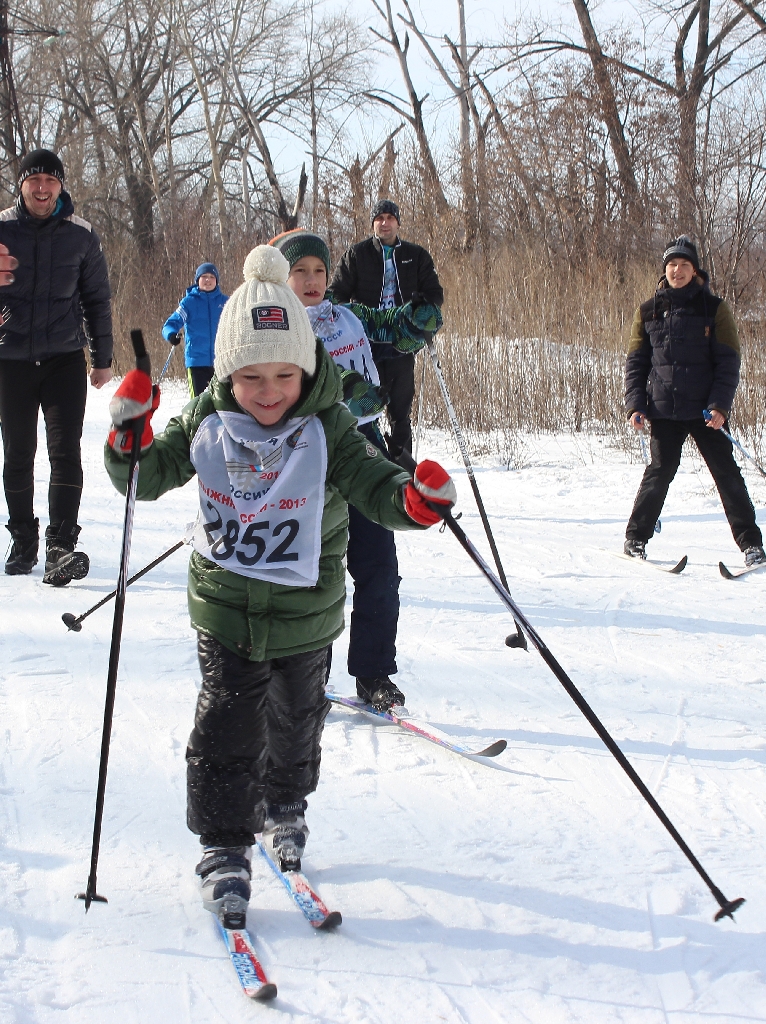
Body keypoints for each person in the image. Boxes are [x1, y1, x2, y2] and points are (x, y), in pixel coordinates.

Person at [104, 244, 456, 928]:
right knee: (227, 729)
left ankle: (286, 807)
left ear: (309, 368)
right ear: (227, 373)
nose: (268, 392)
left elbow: (374, 483)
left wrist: (412, 501)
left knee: (297, 722)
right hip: (227, 608)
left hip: (306, 609)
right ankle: (223, 846)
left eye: (284, 376)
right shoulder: (207, 420)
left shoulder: (329, 425)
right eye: (251, 378)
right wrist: (130, 439)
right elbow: (148, 472)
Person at [271, 228, 442, 712]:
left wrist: (412, 323)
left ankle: (373, 672)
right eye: (300, 271)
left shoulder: (345, 316)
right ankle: (309, 673)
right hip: (307, 453)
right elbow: (302, 377)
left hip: (363, 445)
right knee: (316, 571)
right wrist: (344, 388)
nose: (311, 280)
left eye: (319, 271)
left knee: (379, 565)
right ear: (281, 278)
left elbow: (385, 326)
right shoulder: (276, 327)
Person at [0, 148, 113, 584]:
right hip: (11, 361)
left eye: (51, 180)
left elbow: (97, 299)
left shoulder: (81, 235)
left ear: (61, 186)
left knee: (65, 452)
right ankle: (23, 538)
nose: (42, 188)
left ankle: (60, 546)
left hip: (64, 359)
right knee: (18, 453)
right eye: (34, 180)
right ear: (22, 185)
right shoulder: (2, 229)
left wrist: (102, 358)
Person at [624, 235, 765, 567]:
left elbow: (728, 362)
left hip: (706, 412)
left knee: (727, 473)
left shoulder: (715, 309)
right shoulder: (648, 311)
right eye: (672, 265)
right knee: (659, 472)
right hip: (664, 409)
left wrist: (720, 406)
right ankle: (635, 539)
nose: (677, 270)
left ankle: (751, 544)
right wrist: (636, 405)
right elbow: (636, 363)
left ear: (695, 270)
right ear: (665, 270)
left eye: (684, 264)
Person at [329, 199, 444, 456]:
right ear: (373, 224)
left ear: (397, 223)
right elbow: (336, 294)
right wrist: (350, 320)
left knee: (400, 412)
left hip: (400, 342)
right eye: (379, 218)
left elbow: (434, 294)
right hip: (365, 345)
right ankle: (371, 464)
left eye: (390, 218)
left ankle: (404, 465)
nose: (385, 223)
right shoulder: (357, 255)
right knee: (365, 411)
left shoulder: (416, 255)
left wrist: (421, 312)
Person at [162, 262, 228, 397]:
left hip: (221, 361)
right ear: (198, 280)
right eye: (204, 277)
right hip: (197, 362)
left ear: (217, 281)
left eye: (212, 277)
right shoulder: (189, 303)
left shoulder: (226, 302)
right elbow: (170, 324)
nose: (208, 280)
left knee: (224, 401)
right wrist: (171, 335)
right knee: (198, 403)